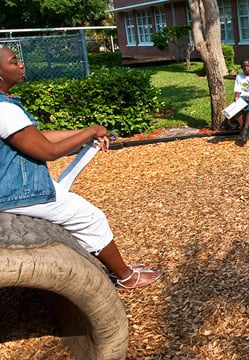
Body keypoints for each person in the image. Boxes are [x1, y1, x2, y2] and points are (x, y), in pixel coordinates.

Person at [0, 45, 162, 290]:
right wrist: (90, 131)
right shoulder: (5, 110)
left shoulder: (5, 106)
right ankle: (126, 277)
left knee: (76, 208)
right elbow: (48, 151)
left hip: (12, 185)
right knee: (90, 218)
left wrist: (86, 133)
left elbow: (37, 137)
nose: (21, 65)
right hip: (15, 192)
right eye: (14, 62)